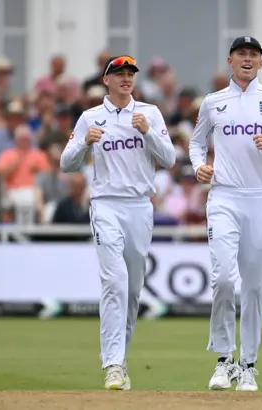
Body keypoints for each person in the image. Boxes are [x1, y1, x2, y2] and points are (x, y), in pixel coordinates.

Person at [189, 36, 262, 392]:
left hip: (260, 198)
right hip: (223, 196)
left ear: (261, 62)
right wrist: (198, 167)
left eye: (254, 55)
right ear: (231, 60)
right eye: (242, 54)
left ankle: (248, 365)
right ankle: (224, 360)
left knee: (254, 287)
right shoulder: (213, 102)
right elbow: (195, 143)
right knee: (223, 278)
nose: (248, 59)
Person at [60, 55, 176, 390]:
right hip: (106, 204)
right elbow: (67, 164)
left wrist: (149, 133)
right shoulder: (90, 117)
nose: (126, 79)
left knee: (132, 289)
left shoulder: (149, 113)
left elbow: (168, 159)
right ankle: (111, 364)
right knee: (115, 281)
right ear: (106, 80)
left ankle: (120, 360)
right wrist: (84, 142)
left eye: (130, 74)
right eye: (119, 74)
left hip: (140, 206)